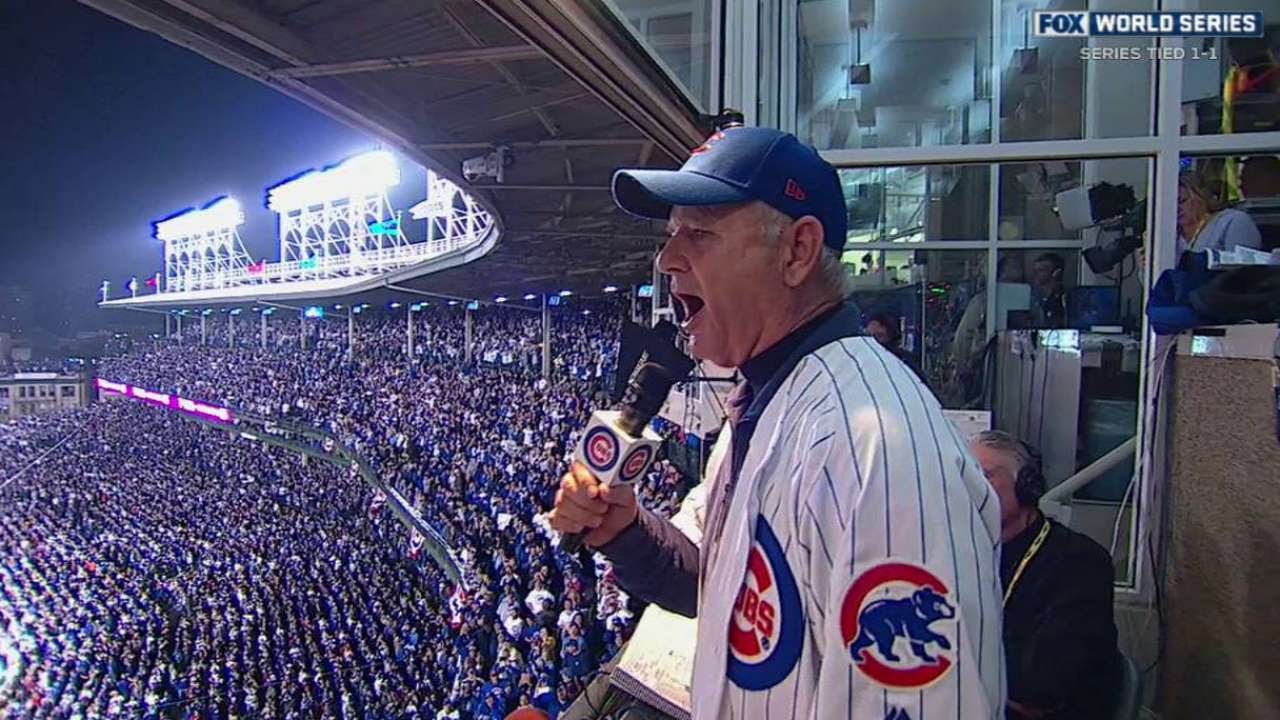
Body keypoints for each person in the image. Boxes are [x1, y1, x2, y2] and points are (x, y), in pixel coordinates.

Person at [550, 125, 1004, 719]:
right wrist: (625, 530)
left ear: (797, 251)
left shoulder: (877, 450)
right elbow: (718, 589)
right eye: (670, 235)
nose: (666, 259)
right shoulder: (767, 400)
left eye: (700, 233)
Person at [968, 430, 1121, 720]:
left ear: (1026, 487)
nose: (968, 488)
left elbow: (1040, 687)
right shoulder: (963, 552)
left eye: (983, 476)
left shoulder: (1079, 562)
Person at [1177, 168, 1262, 260]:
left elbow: (1242, 269)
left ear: (1201, 196)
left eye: (1181, 201)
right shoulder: (1169, 232)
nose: (1176, 209)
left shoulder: (1233, 221)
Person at [864, 312, 926, 380]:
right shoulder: (864, 359)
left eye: (879, 335)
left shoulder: (904, 359)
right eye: (870, 336)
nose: (874, 341)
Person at [1029, 253, 1067, 328]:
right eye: (1035, 270)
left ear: (1056, 273)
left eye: (1041, 270)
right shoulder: (1031, 297)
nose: (1035, 274)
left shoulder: (1064, 299)